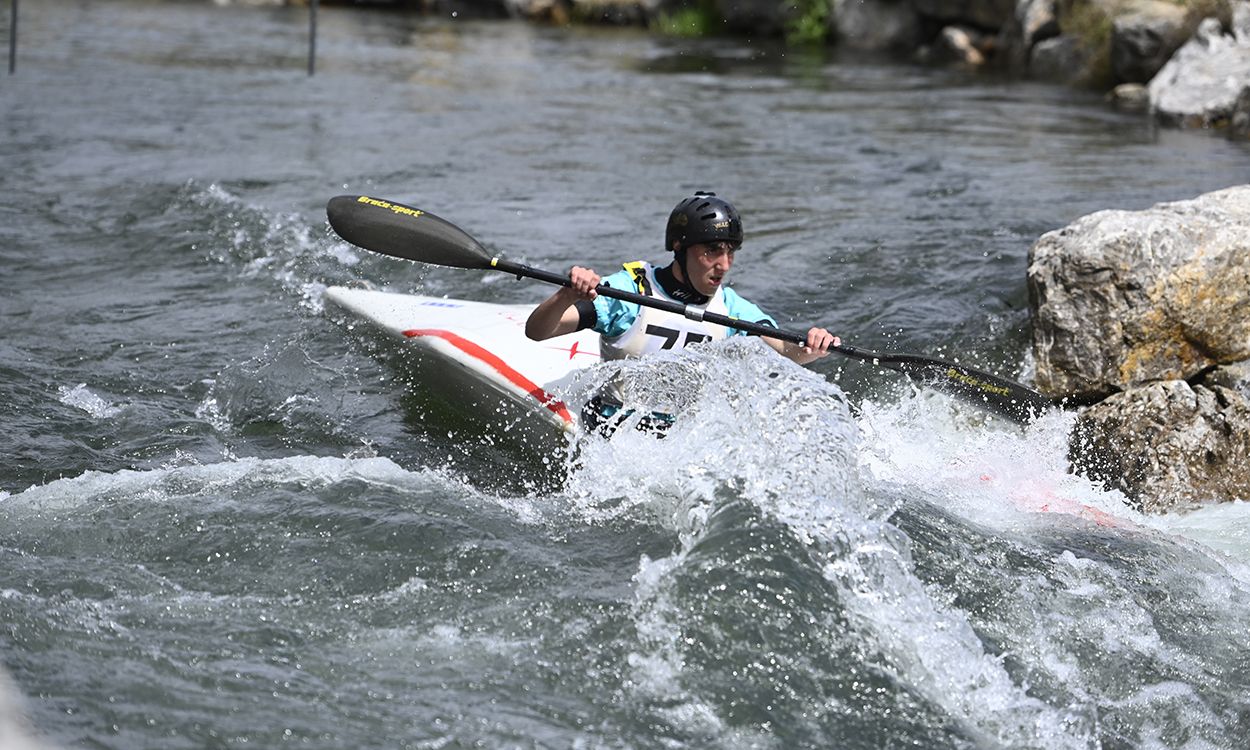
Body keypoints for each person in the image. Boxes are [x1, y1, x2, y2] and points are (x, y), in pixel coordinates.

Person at [525, 191, 838, 432]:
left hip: (681, 440)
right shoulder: (632, 292)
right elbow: (538, 331)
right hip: (613, 428)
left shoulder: (729, 307)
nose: (724, 265)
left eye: (730, 252)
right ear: (679, 247)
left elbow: (788, 351)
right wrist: (566, 294)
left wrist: (814, 346)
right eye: (712, 251)